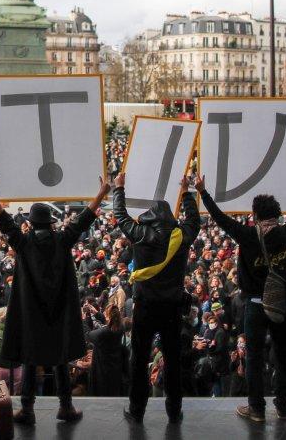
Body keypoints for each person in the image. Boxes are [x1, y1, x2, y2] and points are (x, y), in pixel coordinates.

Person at [0, 173, 110, 425]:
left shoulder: (22, 242)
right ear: (51, 224)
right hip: (59, 313)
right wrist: (102, 193)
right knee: (60, 359)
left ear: (30, 223)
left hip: (31, 315)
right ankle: (65, 407)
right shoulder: (63, 240)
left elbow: (3, 220)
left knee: (31, 360)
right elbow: (85, 219)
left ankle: (28, 410)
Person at [199, 170, 286, 423]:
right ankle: (282, 405)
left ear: (255, 215)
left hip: (253, 304)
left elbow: (219, 218)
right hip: (280, 304)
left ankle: (257, 409)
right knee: (282, 356)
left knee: (254, 358)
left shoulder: (248, 234)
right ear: (277, 214)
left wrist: (203, 192)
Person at [113, 172, 199, 423]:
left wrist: (119, 188)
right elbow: (194, 220)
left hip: (145, 307)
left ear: (149, 218)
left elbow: (120, 216)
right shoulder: (181, 236)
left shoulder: (141, 234)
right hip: (172, 307)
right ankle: (174, 410)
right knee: (172, 360)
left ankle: (137, 409)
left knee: (139, 360)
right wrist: (186, 193)